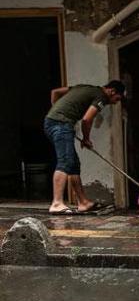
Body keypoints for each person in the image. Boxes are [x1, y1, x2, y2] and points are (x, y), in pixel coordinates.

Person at [44, 80, 125, 214]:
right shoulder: (102, 96)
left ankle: (83, 202)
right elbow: (87, 119)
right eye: (118, 98)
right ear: (112, 91)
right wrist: (86, 139)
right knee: (65, 161)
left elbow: (55, 92)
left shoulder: (83, 87)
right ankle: (57, 203)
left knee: (73, 164)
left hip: (57, 123)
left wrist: (56, 111)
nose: (116, 102)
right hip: (61, 124)